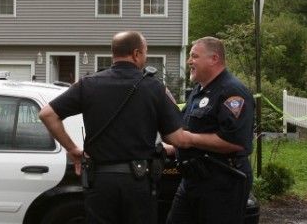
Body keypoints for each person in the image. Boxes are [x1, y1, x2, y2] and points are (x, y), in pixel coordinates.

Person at [39, 31, 196, 224]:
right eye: (145, 53)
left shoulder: (88, 84)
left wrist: (72, 150)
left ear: (114, 53)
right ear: (137, 53)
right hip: (138, 182)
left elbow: (47, 114)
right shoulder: (154, 87)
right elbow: (177, 138)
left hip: (100, 182)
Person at [166, 36, 254, 224]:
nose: (189, 61)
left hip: (222, 182)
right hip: (192, 179)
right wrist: (174, 148)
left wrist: (188, 140)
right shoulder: (199, 91)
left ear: (214, 59)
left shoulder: (232, 91)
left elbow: (236, 141)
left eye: (194, 56)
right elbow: (188, 128)